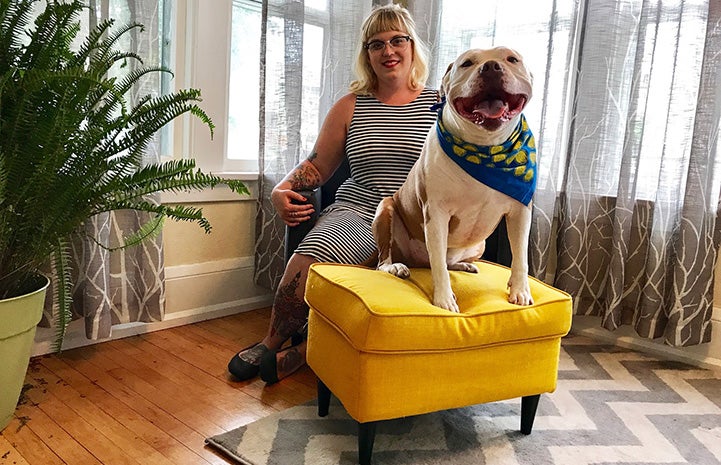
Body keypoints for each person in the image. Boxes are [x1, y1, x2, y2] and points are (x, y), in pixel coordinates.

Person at [227, 3, 440, 384]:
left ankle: (308, 352)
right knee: (312, 257)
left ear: (412, 46)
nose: (388, 51)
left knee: (379, 281)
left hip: (416, 219)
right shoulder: (350, 105)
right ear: (367, 54)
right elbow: (318, 166)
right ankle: (272, 341)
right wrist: (282, 188)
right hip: (357, 210)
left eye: (397, 41)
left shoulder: (440, 104)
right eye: (377, 44)